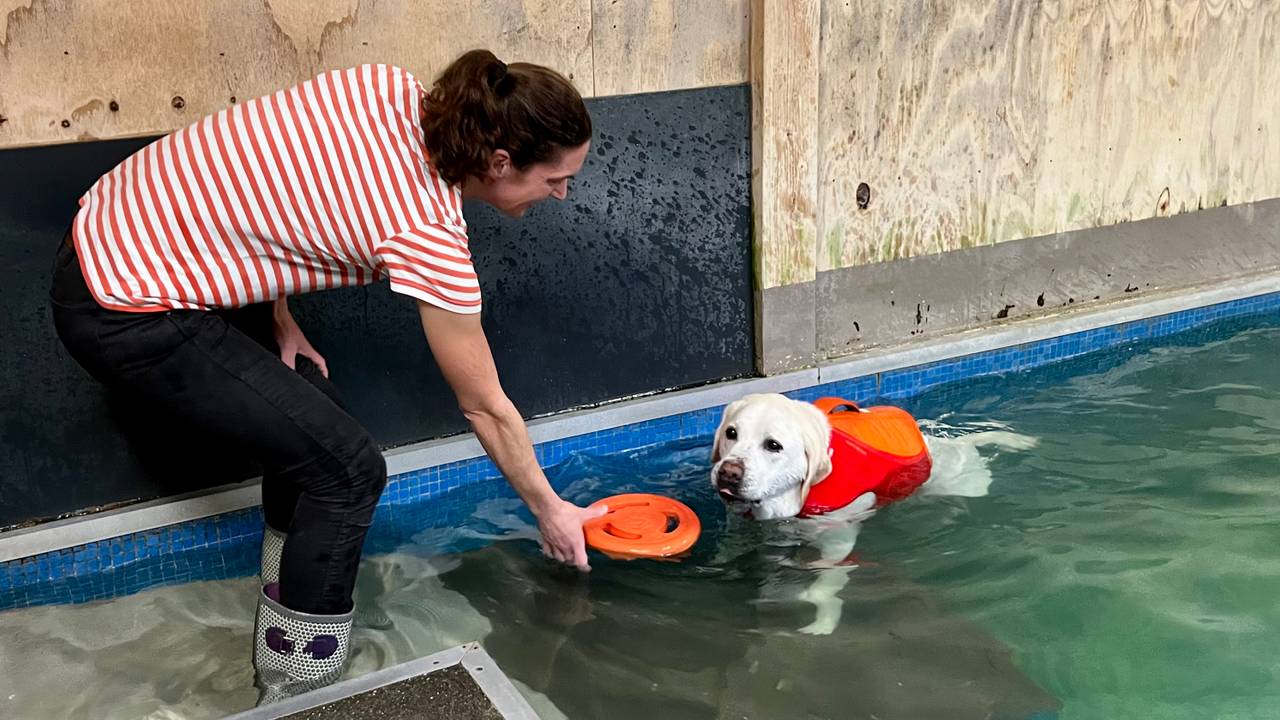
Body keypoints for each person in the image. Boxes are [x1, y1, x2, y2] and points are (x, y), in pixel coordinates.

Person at [48, 49, 605, 705]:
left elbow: (273, 184)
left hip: (114, 233)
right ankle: (298, 694)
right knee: (346, 471)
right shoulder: (426, 231)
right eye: (556, 178)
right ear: (500, 163)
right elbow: (483, 406)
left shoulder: (393, 89)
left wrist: (277, 311)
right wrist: (549, 510)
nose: (563, 193)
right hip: (122, 305)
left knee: (315, 423)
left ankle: (281, 626)